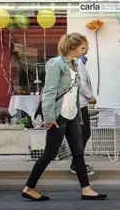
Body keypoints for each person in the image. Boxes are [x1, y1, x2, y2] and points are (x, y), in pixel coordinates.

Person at [22, 33, 106, 201]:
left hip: (72, 114)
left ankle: (86, 189)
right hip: (59, 116)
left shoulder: (74, 64)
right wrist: (49, 117)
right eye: (83, 47)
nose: (86, 50)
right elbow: (49, 92)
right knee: (50, 153)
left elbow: (75, 92)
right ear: (72, 47)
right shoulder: (56, 64)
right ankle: (29, 187)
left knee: (78, 153)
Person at [69, 45, 96, 176]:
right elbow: (81, 82)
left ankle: (78, 162)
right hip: (78, 104)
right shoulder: (76, 61)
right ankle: (76, 164)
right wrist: (91, 97)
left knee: (83, 133)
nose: (87, 49)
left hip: (81, 103)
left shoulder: (80, 61)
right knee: (82, 134)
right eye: (84, 47)